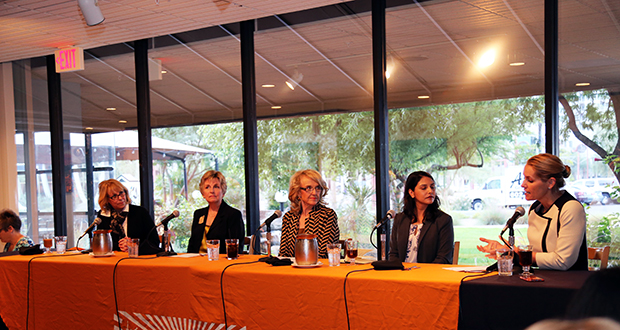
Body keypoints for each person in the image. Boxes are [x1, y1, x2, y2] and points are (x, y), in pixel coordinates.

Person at [477, 153, 588, 270]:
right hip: (542, 280)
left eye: (530, 180)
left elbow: (563, 261)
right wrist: (507, 252)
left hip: (570, 284)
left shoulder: (570, 208)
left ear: (550, 183)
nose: (523, 184)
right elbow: (537, 255)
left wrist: (519, 256)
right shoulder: (535, 208)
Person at [389, 171, 454, 264]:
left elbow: (443, 258)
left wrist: (421, 274)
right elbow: (393, 254)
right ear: (411, 193)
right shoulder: (400, 219)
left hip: (429, 276)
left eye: (432, 187)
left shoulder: (443, 220)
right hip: (401, 275)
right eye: (424, 188)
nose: (430, 191)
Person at [278, 169, 339, 259]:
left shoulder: (328, 215)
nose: (314, 193)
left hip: (318, 270)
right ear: (298, 192)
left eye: (318, 188)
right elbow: (283, 254)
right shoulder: (289, 217)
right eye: (309, 188)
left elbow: (323, 254)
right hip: (291, 270)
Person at [96, 179, 161, 255]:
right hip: (113, 260)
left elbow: (154, 242)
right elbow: (101, 244)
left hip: (139, 259)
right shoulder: (103, 216)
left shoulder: (140, 212)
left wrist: (134, 245)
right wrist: (120, 245)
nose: (120, 198)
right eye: (114, 196)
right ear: (107, 200)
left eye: (121, 193)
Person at [187, 170, 245, 254]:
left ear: (223, 191)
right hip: (196, 263)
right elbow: (192, 245)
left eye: (216, 187)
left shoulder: (233, 215)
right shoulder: (198, 214)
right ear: (203, 193)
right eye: (207, 187)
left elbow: (235, 250)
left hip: (220, 264)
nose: (211, 191)